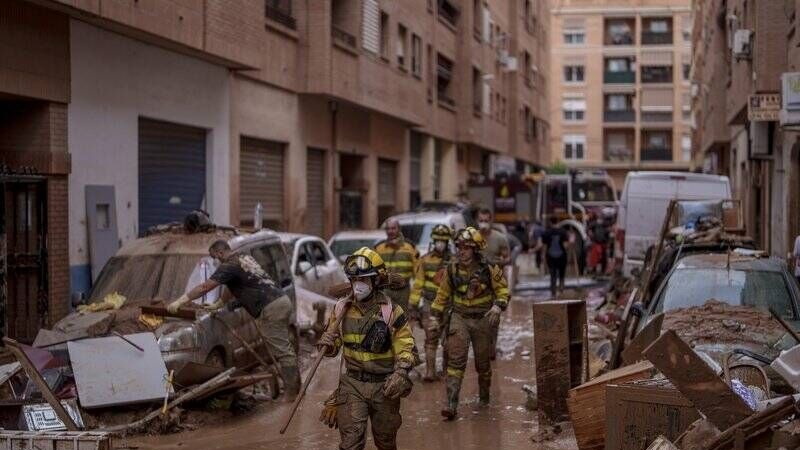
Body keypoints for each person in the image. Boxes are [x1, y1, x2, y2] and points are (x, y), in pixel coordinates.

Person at [166, 240, 301, 396]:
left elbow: (204, 287)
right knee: (285, 348)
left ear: (220, 253)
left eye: (214, 257)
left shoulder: (229, 265)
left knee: (283, 351)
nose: (215, 262)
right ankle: (296, 388)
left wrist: (181, 301)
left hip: (270, 307)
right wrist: (220, 303)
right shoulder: (243, 257)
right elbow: (233, 285)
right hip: (280, 300)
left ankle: (292, 395)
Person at [316, 247, 416, 450]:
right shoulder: (340, 309)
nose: (357, 286)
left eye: (363, 280)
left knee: (385, 441)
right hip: (352, 384)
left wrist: (401, 372)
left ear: (376, 281)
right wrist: (326, 343)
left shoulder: (392, 312)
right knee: (350, 442)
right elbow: (333, 349)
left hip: (384, 386)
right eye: (353, 280)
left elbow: (406, 346)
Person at [430, 227, 509, 420]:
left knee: (483, 364)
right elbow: (441, 296)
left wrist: (498, 307)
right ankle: (451, 405)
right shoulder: (451, 269)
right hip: (459, 318)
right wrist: (435, 317)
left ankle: (484, 398)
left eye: (466, 247)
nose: (461, 251)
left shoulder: (490, 267)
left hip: (483, 320)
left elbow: (503, 291)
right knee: (455, 361)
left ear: (475, 249)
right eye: (459, 247)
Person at [409, 224, 453, 381]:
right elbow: (418, 285)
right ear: (433, 241)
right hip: (429, 306)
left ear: (448, 241)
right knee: (431, 338)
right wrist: (413, 306)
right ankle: (430, 372)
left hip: (450, 306)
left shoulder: (455, 261)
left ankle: (447, 371)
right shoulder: (425, 260)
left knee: (449, 340)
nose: (440, 243)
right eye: (438, 240)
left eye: (443, 240)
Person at [476, 209, 511, 361]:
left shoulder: (500, 238)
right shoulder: (473, 238)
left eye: (486, 219)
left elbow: (507, 258)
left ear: (491, 220)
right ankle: (480, 348)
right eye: (481, 219)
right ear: (477, 220)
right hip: (477, 285)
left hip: (495, 285)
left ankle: (491, 349)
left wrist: (498, 262)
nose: (483, 222)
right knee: (477, 318)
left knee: (493, 318)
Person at [375, 218, 418, 312]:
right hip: (385, 290)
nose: (390, 231)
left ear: (399, 229)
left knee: (402, 320)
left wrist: (415, 298)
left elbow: (418, 274)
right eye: (388, 228)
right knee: (385, 320)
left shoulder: (409, 247)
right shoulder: (379, 248)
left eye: (393, 228)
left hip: (404, 291)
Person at [536, 216, 568, 297]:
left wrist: (543, 256)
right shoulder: (563, 232)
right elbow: (566, 245)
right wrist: (571, 242)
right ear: (558, 221)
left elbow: (544, 246)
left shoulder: (547, 232)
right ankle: (561, 291)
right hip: (562, 256)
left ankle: (553, 293)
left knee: (552, 275)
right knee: (562, 274)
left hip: (550, 256)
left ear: (550, 222)